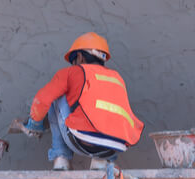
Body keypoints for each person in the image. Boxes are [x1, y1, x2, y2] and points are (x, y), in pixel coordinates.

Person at [13, 31, 144, 171]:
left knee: (56, 96)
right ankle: (101, 161)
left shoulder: (72, 72)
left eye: (73, 61)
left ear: (80, 57)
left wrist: (34, 124)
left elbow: (42, 99)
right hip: (116, 146)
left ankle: (60, 158)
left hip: (84, 141)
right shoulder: (117, 78)